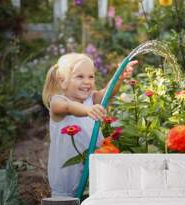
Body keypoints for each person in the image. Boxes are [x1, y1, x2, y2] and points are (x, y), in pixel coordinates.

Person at [42, 53, 137, 197]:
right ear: (63, 81)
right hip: (66, 177)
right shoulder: (58, 102)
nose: (87, 81)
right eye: (80, 77)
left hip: (92, 173)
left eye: (91, 77)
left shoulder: (91, 98)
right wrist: (88, 110)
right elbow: (69, 107)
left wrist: (119, 78)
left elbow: (108, 93)